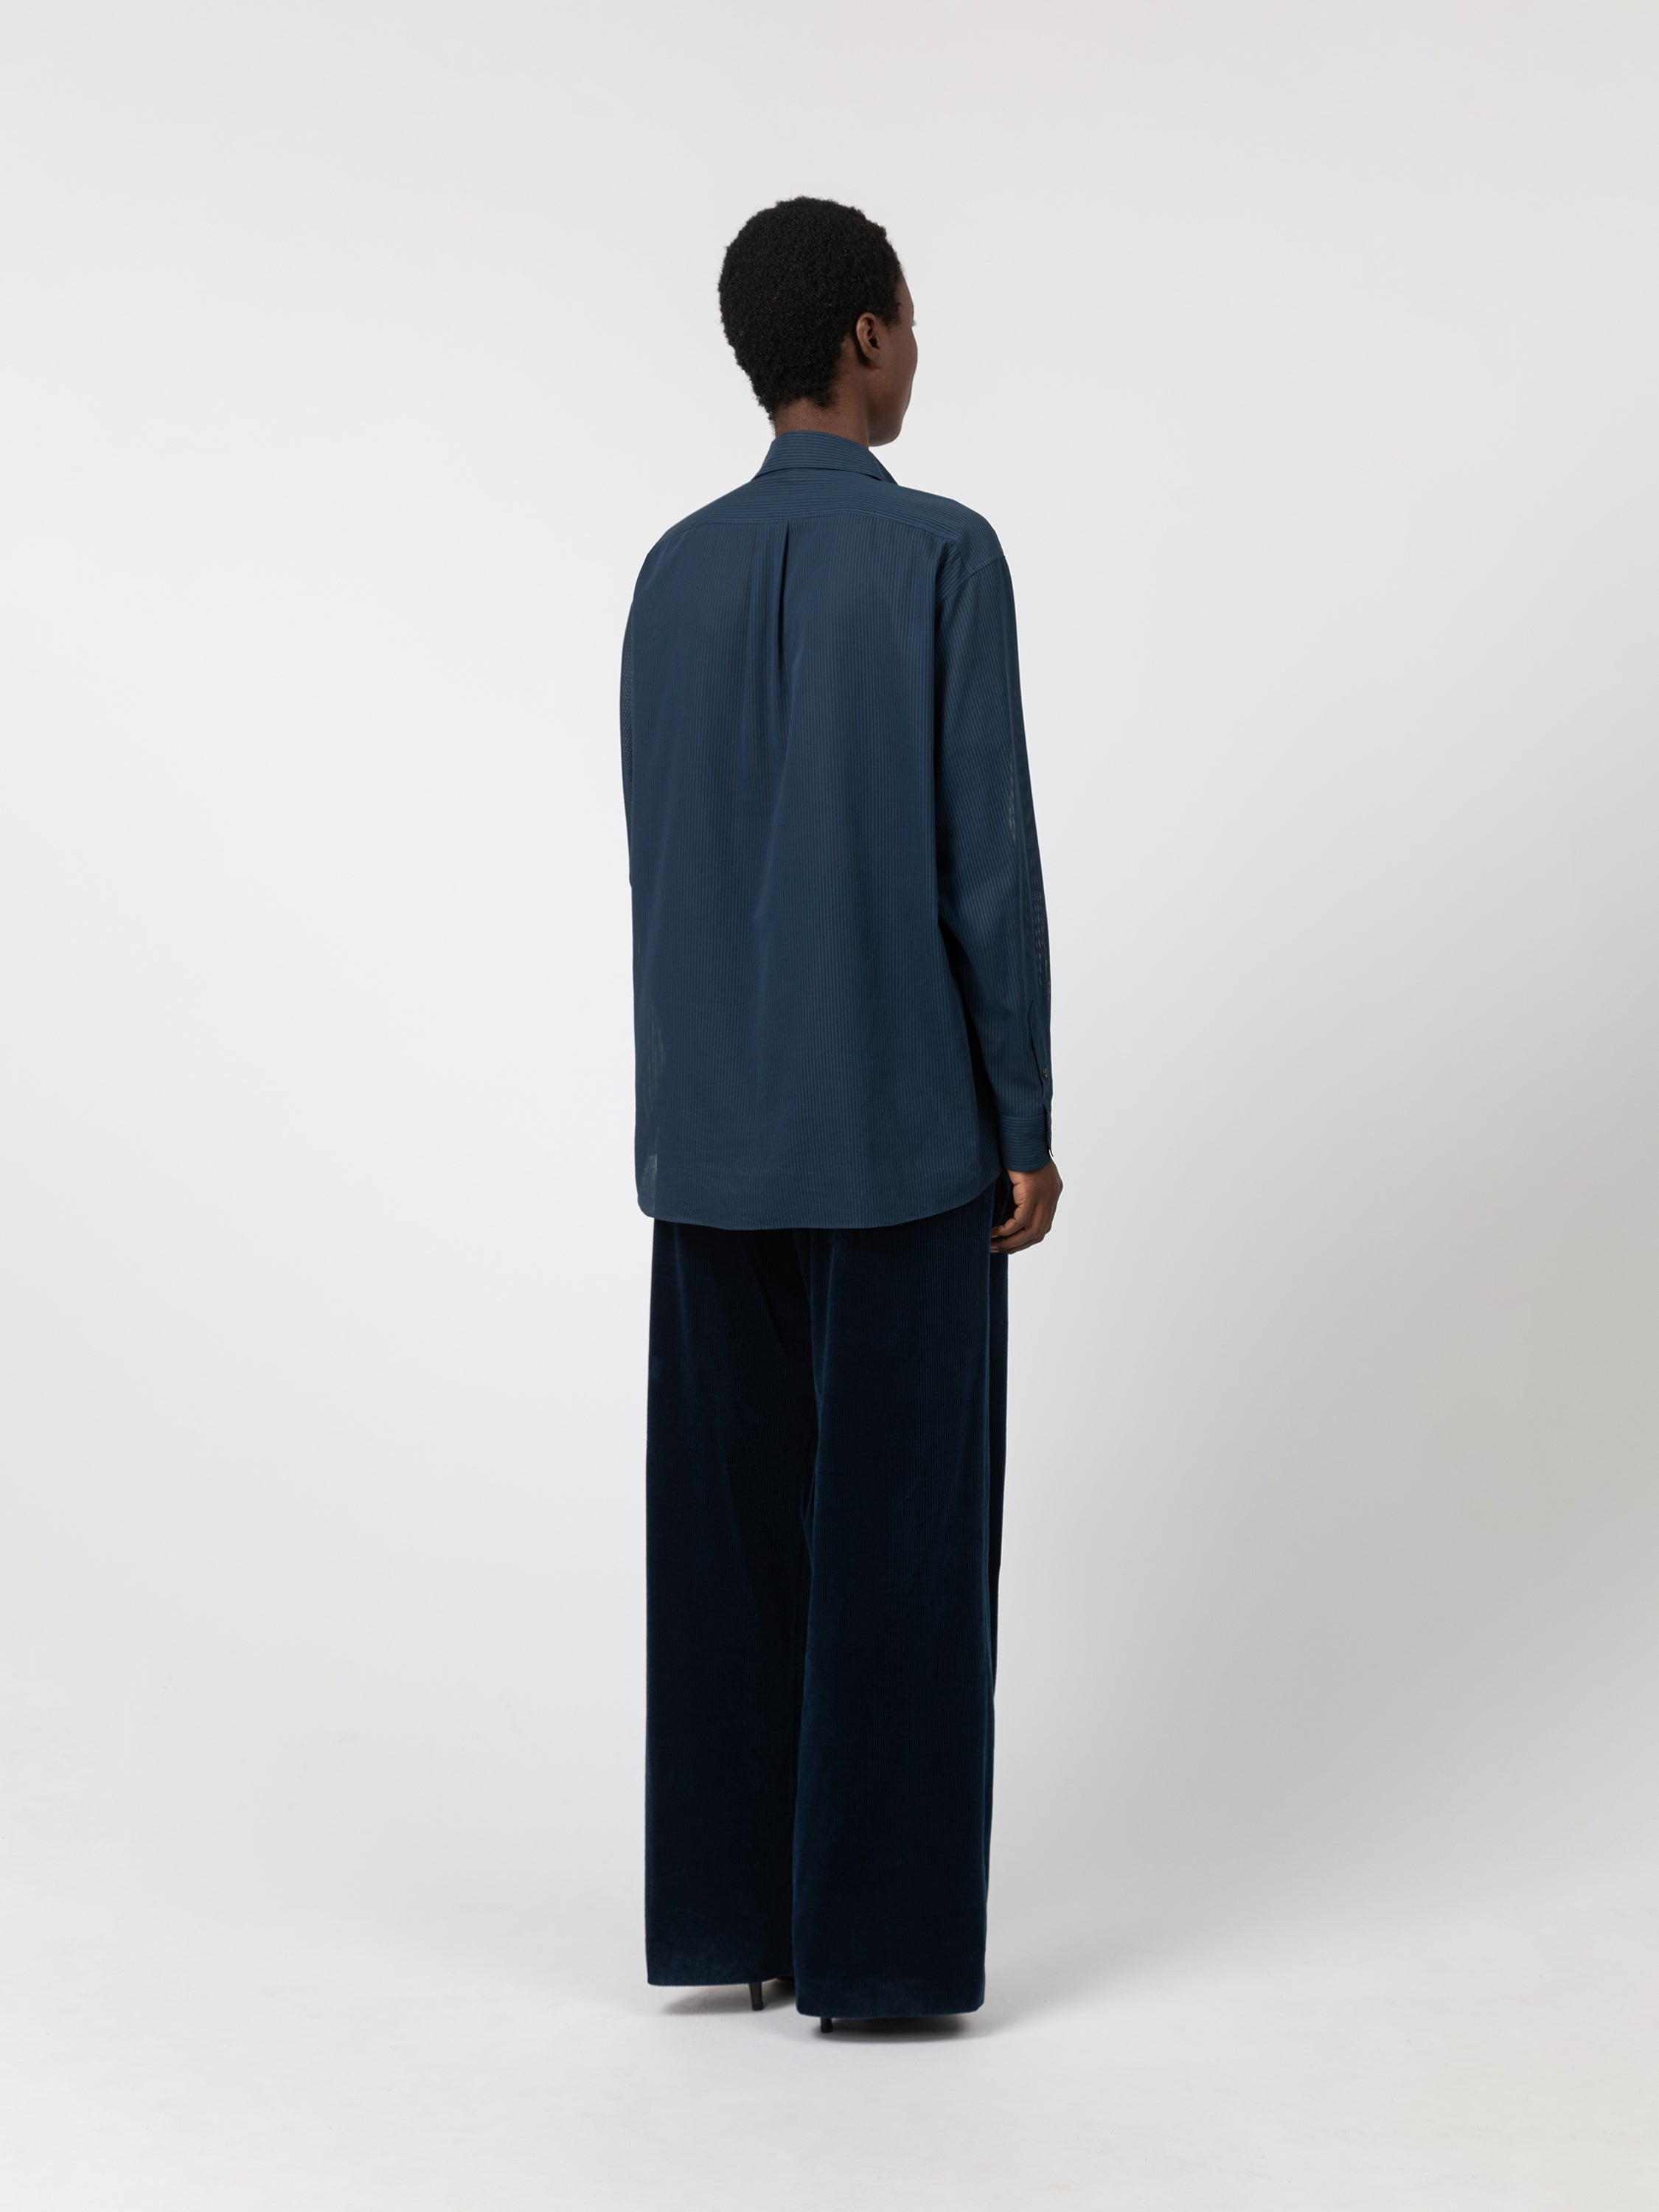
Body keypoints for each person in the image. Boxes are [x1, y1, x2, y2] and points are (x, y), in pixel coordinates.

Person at [619, 195, 1060, 2030]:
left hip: (713, 1135)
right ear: (867, 334)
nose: (916, 349)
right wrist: (1022, 1114)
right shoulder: (945, 554)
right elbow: (986, 869)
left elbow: (666, 859)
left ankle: (740, 1917)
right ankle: (875, 1955)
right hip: (901, 1135)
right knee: (901, 1552)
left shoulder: (670, 574)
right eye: (911, 319)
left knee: (732, 1551)